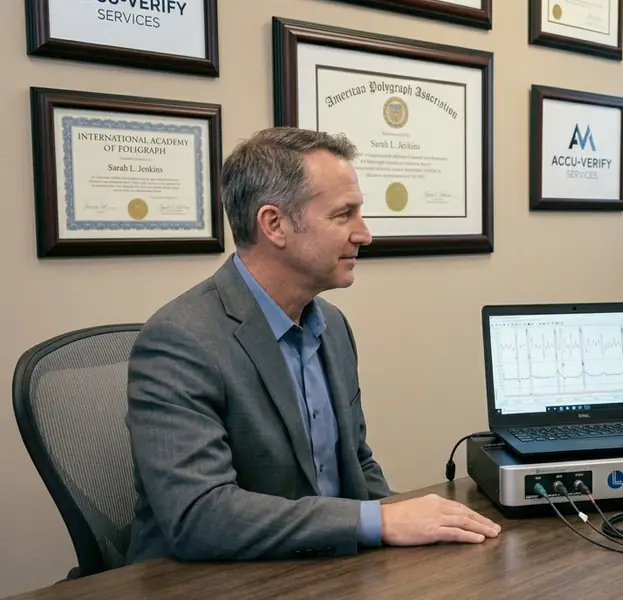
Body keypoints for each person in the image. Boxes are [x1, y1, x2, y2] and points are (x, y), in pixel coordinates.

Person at [125, 127, 500, 564]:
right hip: (206, 580)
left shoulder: (332, 326)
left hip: (322, 565)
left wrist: (416, 529)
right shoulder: (180, 341)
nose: (364, 234)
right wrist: (380, 521)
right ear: (274, 224)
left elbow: (356, 465)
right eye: (344, 215)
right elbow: (200, 516)